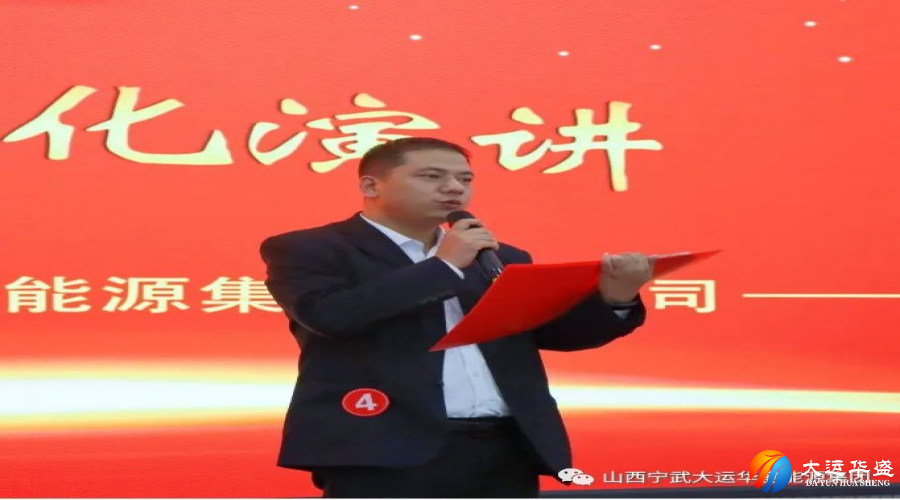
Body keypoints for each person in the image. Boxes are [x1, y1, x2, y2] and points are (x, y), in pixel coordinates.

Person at [259, 137, 654, 498]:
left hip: (505, 447)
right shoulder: (309, 248)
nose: (453, 188)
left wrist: (615, 295)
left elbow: (548, 333)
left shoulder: (501, 256)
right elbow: (331, 317)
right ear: (370, 186)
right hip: (383, 446)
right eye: (432, 176)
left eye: (464, 179)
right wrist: (444, 266)